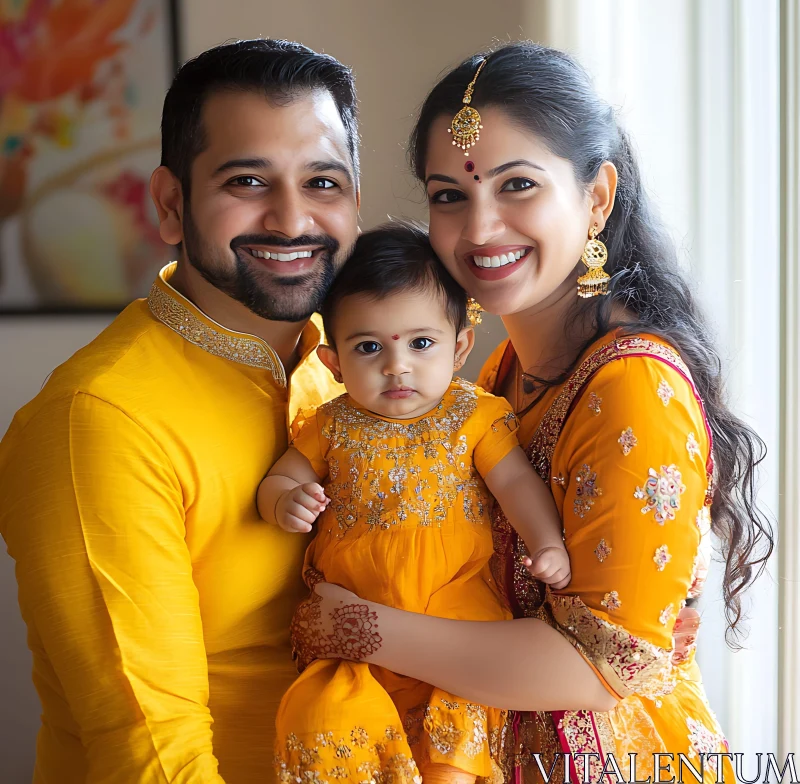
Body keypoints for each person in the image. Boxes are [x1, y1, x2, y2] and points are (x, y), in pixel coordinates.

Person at [291, 43, 773, 784]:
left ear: (597, 198)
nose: (480, 229)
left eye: (518, 185)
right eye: (449, 195)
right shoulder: (499, 372)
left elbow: (596, 669)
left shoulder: (633, 386)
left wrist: (361, 629)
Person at [0, 39, 360, 783]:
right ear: (170, 204)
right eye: (248, 180)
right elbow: (152, 757)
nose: (293, 220)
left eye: (323, 181)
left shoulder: (357, 372)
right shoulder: (98, 418)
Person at [259, 223, 569, 784]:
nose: (396, 366)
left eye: (420, 343)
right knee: (324, 717)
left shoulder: (472, 416)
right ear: (333, 363)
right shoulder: (331, 425)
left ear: (460, 347)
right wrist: (285, 502)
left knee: (449, 751)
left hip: (457, 623)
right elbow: (280, 479)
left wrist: (546, 542)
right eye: (369, 347)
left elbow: (518, 484)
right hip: (349, 631)